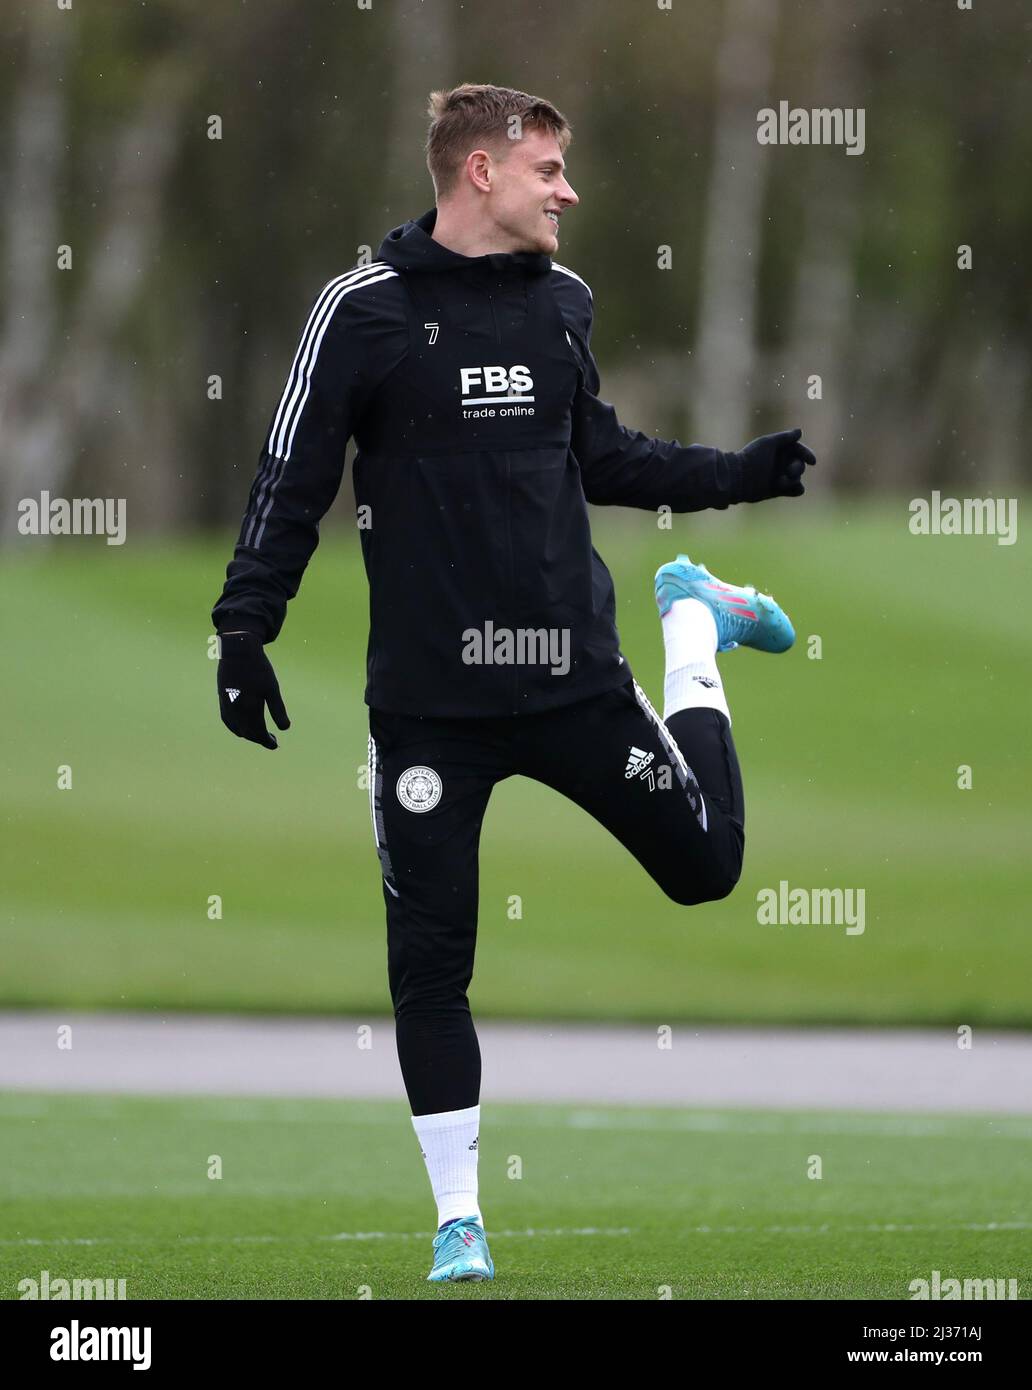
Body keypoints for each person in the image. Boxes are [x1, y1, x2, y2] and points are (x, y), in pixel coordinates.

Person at [212, 82, 815, 1284]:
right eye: (549, 169)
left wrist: (732, 475)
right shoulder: (361, 312)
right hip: (432, 709)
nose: (568, 191)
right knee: (430, 965)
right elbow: (292, 476)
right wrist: (244, 628)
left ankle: (693, 627)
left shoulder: (564, 304)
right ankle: (459, 1222)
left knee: (710, 869)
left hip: (573, 682)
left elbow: (600, 455)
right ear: (478, 171)